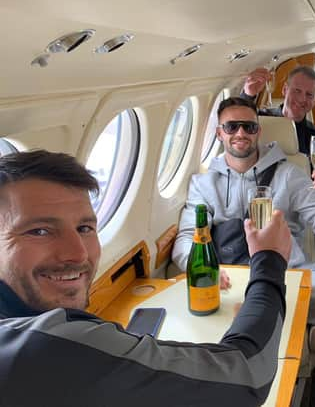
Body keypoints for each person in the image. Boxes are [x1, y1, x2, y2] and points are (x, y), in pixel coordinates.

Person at [0, 150, 292, 407]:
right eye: (38, 231)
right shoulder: (50, 346)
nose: (77, 254)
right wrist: (269, 259)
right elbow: (248, 372)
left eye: (85, 228)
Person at [172, 97, 315, 407]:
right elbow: (186, 239)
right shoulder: (203, 183)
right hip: (233, 282)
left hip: (293, 278)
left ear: (258, 131)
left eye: (248, 126)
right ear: (220, 133)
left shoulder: (289, 174)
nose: (240, 133)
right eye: (231, 126)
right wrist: (207, 270)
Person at [241, 66, 315, 163]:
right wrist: (248, 95)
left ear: (314, 101)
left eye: (309, 95)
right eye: (297, 91)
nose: (302, 99)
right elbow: (239, 123)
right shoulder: (260, 120)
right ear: (284, 90)